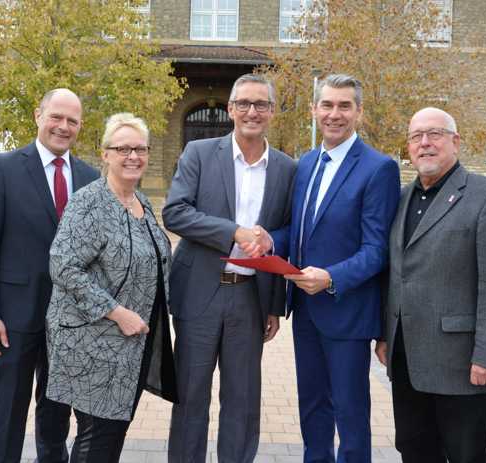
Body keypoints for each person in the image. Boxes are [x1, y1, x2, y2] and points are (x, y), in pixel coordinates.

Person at [260, 74, 401, 462]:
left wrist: (332, 278)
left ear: (358, 112)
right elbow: (301, 231)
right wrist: (270, 240)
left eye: (344, 106)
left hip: (348, 312)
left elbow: (377, 250)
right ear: (314, 110)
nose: (334, 114)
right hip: (306, 313)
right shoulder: (305, 164)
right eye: (327, 105)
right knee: (312, 410)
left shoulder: (379, 168)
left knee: (351, 414)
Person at [375, 107, 486, 463]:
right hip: (407, 361)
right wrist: (385, 334)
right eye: (416, 136)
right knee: (414, 451)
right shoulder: (400, 198)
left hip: (462, 366)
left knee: (464, 455)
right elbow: (396, 272)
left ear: (456, 142)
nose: (424, 143)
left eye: (435, 134)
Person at [163, 73, 296, 463]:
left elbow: (288, 229)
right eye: (243, 104)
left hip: (249, 300)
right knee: (190, 400)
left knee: (242, 402)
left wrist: (273, 303)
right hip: (199, 297)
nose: (251, 111)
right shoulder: (199, 153)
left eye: (260, 104)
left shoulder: (288, 169)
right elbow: (176, 212)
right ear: (230, 109)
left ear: (271, 111)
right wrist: (233, 232)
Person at [0, 88, 100, 463]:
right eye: (56, 117)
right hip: (14, 317)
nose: (63, 126)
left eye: (72, 121)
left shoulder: (90, 178)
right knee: (7, 411)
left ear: (80, 126)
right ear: (37, 116)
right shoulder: (2, 169)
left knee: (56, 415)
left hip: (70, 322)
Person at [45, 113, 177, 463]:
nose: (133, 156)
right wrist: (117, 313)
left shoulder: (141, 203)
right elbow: (64, 266)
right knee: (97, 437)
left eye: (140, 148)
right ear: (105, 154)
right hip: (92, 343)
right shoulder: (89, 202)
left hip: (130, 347)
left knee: (110, 433)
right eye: (123, 148)